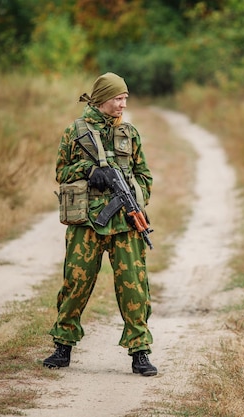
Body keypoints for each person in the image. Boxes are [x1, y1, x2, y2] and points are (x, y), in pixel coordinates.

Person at [42, 72, 157, 376]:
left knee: (134, 287)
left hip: (125, 226)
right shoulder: (75, 132)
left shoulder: (130, 133)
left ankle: (140, 352)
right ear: (103, 98)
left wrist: (137, 199)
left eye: (125, 98)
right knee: (76, 285)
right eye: (119, 98)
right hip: (87, 223)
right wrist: (90, 171)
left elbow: (144, 175)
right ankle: (63, 346)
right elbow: (62, 172)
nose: (123, 104)